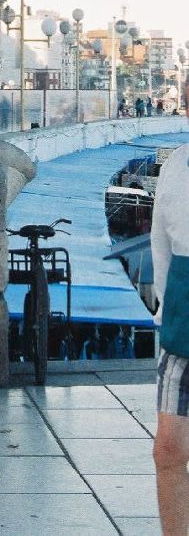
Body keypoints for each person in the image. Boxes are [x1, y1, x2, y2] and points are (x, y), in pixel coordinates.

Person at [151, 109, 189, 535]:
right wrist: (166, 309)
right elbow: (160, 244)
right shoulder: (175, 165)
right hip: (182, 324)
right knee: (168, 450)